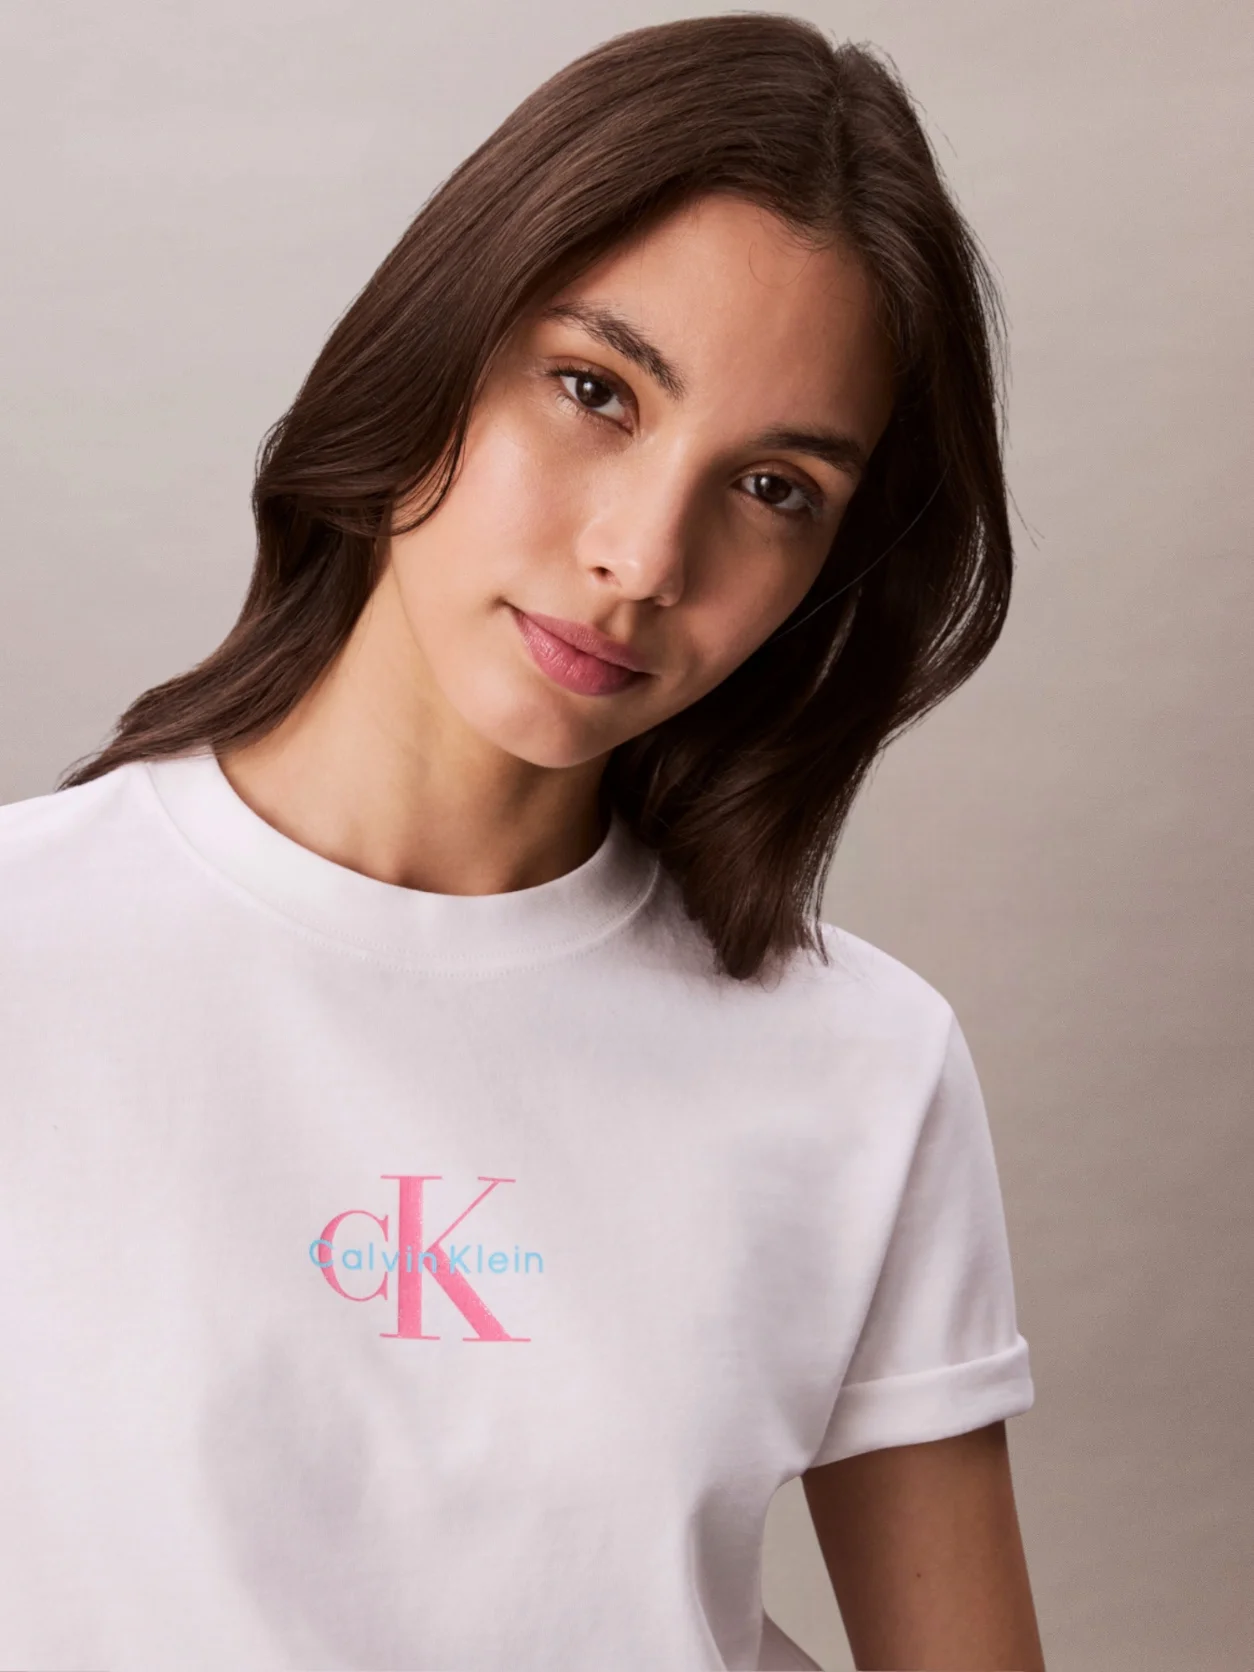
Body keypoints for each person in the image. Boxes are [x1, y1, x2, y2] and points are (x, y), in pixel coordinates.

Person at [0, 13, 1045, 1671]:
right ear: (434, 349)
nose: (642, 557)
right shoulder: (29, 956)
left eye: (773, 487)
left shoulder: (859, 1067)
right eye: (593, 391)